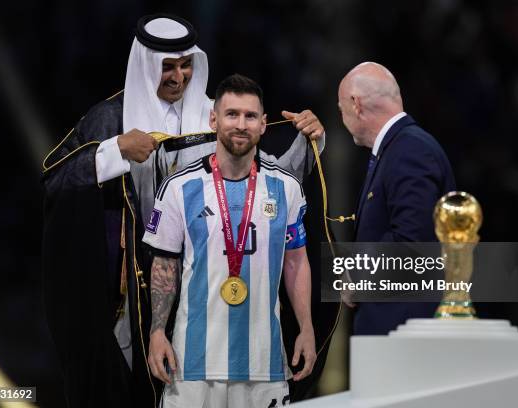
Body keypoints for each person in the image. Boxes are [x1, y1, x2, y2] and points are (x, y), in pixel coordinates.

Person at [42, 14, 324, 407]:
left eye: (186, 64)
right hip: (129, 286)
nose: (179, 77)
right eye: (167, 67)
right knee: (123, 385)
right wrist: (116, 150)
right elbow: (56, 179)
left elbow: (272, 187)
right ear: (145, 64)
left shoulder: (216, 115)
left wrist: (311, 142)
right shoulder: (110, 118)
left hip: (202, 286)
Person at [142, 74, 316, 407]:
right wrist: (156, 330)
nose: (241, 124)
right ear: (214, 119)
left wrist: (306, 328)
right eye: (232, 114)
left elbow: (296, 260)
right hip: (191, 363)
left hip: (263, 365)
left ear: (264, 124)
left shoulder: (287, 188)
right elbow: (165, 263)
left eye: (250, 116)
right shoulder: (179, 186)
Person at [337, 62, 456, 334]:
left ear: (355, 104)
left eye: (340, 107)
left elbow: (412, 244)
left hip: (403, 333)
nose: (342, 116)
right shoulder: (399, 148)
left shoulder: (409, 150)